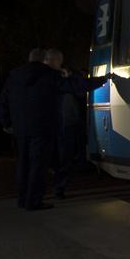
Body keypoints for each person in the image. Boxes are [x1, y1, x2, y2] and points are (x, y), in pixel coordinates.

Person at [0, 49, 105, 211]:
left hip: (20, 128)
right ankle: (33, 201)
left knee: (23, 164)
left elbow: (2, 101)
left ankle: (22, 198)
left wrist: (6, 122)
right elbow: (77, 86)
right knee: (38, 165)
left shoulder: (14, 76)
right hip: (44, 126)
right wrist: (102, 80)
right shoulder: (50, 75)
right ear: (44, 60)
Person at [45, 49, 85, 199]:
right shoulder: (47, 77)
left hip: (67, 122)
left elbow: (80, 87)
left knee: (64, 158)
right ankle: (56, 186)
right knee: (58, 157)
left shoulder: (66, 74)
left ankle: (59, 187)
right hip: (56, 122)